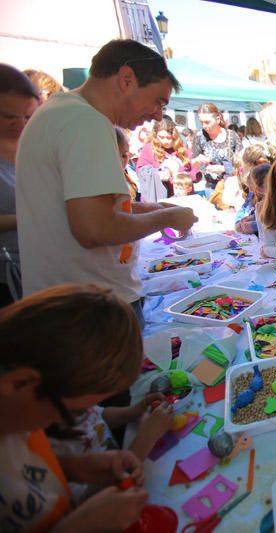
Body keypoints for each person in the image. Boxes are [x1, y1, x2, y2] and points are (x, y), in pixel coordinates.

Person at [15, 39, 197, 313]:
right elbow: (95, 229)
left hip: (70, 304)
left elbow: (83, 207)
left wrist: (151, 208)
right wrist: (167, 217)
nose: (159, 114)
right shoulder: (85, 121)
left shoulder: (62, 112)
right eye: (158, 101)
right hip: (89, 311)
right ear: (126, 79)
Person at [0, 284, 148, 531]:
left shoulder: (16, 413)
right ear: (20, 383)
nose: (75, 421)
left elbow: (23, 465)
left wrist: (74, 468)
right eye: (76, 411)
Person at [47, 391, 172, 504]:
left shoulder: (77, 402)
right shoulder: (51, 451)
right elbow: (94, 500)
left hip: (132, 464)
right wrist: (147, 436)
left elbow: (100, 415)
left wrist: (134, 411)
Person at [0, 64, 39, 306]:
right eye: (9, 116)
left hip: (32, 269)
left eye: (27, 116)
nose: (20, 123)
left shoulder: (33, 149)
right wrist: (29, 216)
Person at [136, 118, 192, 202]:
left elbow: (193, 173)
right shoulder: (149, 148)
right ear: (155, 135)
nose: (165, 141)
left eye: (168, 138)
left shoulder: (181, 149)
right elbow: (140, 170)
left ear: (174, 136)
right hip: (157, 199)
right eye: (161, 137)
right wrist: (158, 174)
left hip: (180, 198)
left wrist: (183, 175)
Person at [192, 102, 242, 194]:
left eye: (207, 122)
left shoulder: (232, 135)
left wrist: (224, 168)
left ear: (218, 119)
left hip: (231, 186)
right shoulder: (199, 136)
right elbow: (194, 165)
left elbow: (242, 164)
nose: (204, 126)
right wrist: (197, 160)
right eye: (201, 122)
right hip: (211, 188)